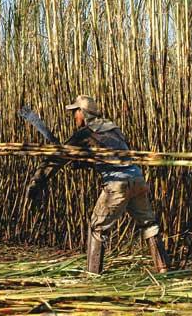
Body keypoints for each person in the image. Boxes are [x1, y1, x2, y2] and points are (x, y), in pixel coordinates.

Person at [25, 95, 170, 274]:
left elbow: (57, 159)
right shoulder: (114, 129)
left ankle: (93, 275)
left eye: (76, 112)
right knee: (149, 224)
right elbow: (114, 155)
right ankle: (163, 268)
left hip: (117, 185)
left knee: (97, 227)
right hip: (138, 180)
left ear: (83, 113)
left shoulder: (85, 133)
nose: (74, 117)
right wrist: (85, 162)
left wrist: (36, 183)